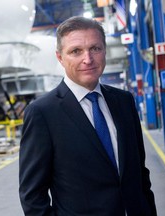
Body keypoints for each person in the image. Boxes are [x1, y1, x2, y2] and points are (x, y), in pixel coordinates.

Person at [19, 16, 157, 216]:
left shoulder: (124, 101)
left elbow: (140, 174)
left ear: (104, 51)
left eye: (95, 48)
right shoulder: (42, 113)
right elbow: (32, 196)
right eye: (76, 51)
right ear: (60, 57)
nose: (88, 59)